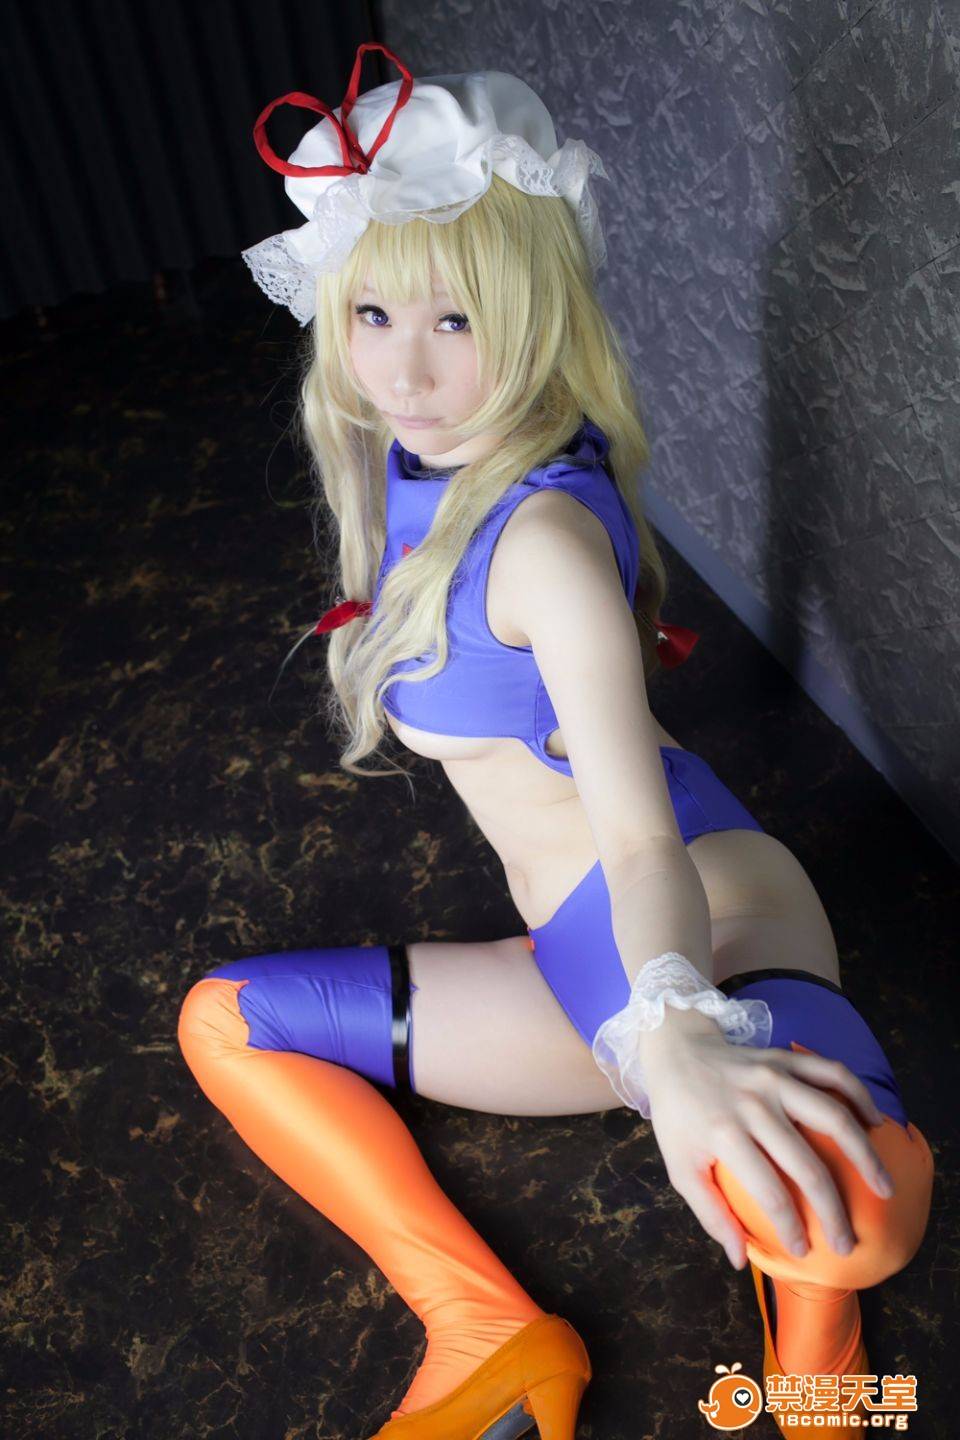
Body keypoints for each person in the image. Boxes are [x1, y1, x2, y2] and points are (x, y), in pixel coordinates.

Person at [177, 46, 934, 1439]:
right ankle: (487, 1327)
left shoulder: (542, 548)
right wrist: (642, 1034)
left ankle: (818, 1356)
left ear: (528, 317)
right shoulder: (416, 467)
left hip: (708, 926)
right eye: (374, 311)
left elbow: (641, 844)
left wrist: (683, 1033)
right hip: (574, 966)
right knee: (225, 1023)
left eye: (456, 320)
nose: (405, 367)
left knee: (850, 1212)